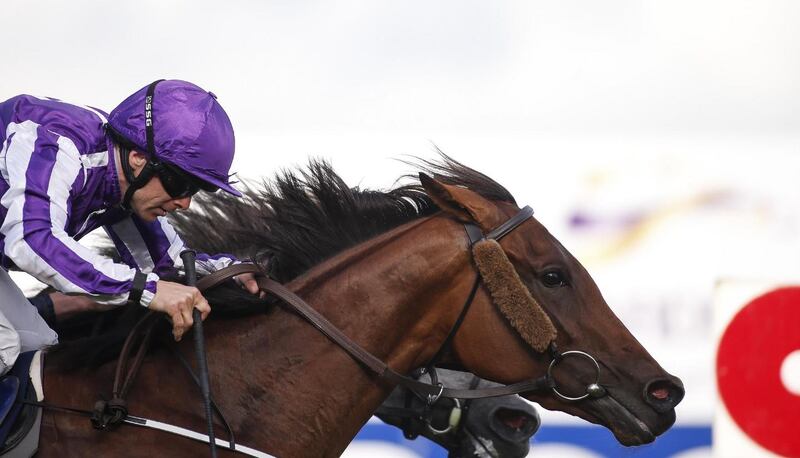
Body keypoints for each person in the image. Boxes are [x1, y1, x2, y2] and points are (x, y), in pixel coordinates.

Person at [0, 79, 260, 375]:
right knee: (4, 345)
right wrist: (145, 289)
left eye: (196, 189)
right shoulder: (61, 145)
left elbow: (163, 264)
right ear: (139, 157)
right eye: (180, 184)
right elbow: (32, 240)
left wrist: (232, 270)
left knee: (36, 345)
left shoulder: (123, 181)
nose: (185, 204)